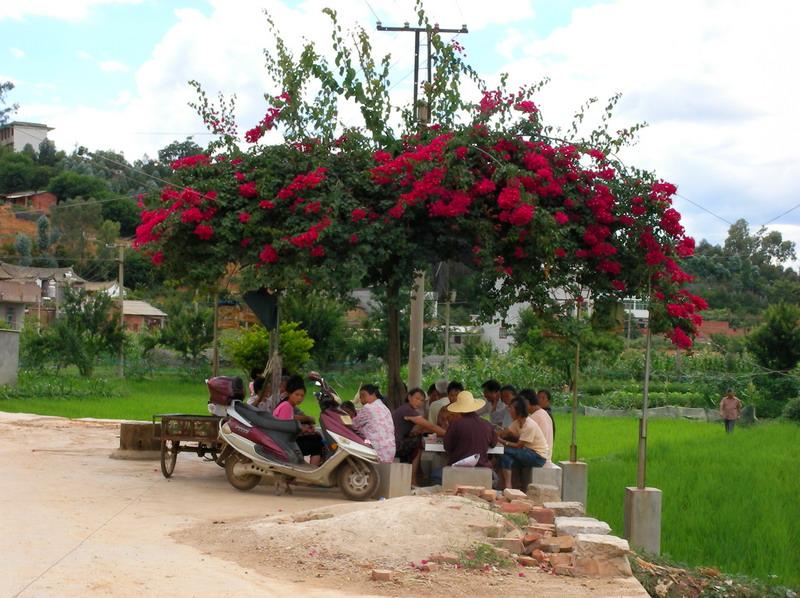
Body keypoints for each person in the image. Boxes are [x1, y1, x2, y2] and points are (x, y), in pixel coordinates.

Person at [393, 388, 445, 485]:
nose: (419, 402)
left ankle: (416, 475)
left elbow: (419, 429)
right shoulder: (407, 410)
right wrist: (447, 433)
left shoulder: (407, 409)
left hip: (397, 442)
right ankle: (413, 479)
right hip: (395, 445)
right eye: (417, 398)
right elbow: (430, 426)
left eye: (421, 400)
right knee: (418, 443)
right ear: (409, 397)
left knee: (418, 438)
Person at [272, 375, 324, 466]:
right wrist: (305, 430)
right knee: (317, 443)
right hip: (285, 444)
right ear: (289, 394)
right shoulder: (286, 406)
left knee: (316, 437)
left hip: (285, 441)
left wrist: (306, 429)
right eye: (296, 395)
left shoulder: (287, 405)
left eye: (302, 396)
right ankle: (312, 470)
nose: (299, 398)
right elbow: (287, 430)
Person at [498, 397, 549, 489]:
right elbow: (505, 432)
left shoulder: (529, 425)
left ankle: (509, 485)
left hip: (537, 457)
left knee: (504, 451)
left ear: (519, 411)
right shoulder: (517, 422)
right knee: (504, 456)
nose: (509, 410)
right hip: (526, 453)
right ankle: (508, 486)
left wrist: (502, 441)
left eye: (511, 408)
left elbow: (518, 445)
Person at [443, 390, 498, 470]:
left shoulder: (455, 424)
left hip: (457, 470)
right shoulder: (487, 425)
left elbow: (447, 447)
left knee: (435, 476)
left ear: (459, 409)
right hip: (482, 470)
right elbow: (493, 444)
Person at [352, 384, 396, 463]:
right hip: (390, 451)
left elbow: (353, 424)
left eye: (363, 396)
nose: (361, 399)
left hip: (376, 450)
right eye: (360, 397)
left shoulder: (368, 408)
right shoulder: (385, 408)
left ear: (373, 394)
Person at [520, 389, 553, 463]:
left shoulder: (533, 418)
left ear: (526, 402)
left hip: (539, 458)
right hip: (546, 456)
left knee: (506, 456)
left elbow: (522, 441)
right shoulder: (545, 414)